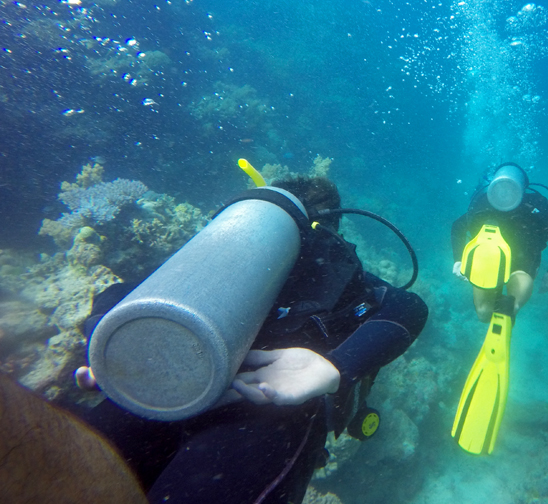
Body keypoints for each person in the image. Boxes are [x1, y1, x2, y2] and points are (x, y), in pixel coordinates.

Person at [75, 175, 428, 504]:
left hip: (167, 379)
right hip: (269, 406)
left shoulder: (222, 256)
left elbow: (117, 293)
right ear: (328, 227)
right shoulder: (336, 266)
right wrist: (336, 367)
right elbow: (408, 307)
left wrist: (114, 344)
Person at [450, 162, 548, 322]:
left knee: (484, 313)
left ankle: (494, 309)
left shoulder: (483, 201)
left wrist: (458, 259)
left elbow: (458, 226)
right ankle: (512, 306)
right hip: (522, 256)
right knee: (520, 274)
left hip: (489, 260)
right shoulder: (536, 203)